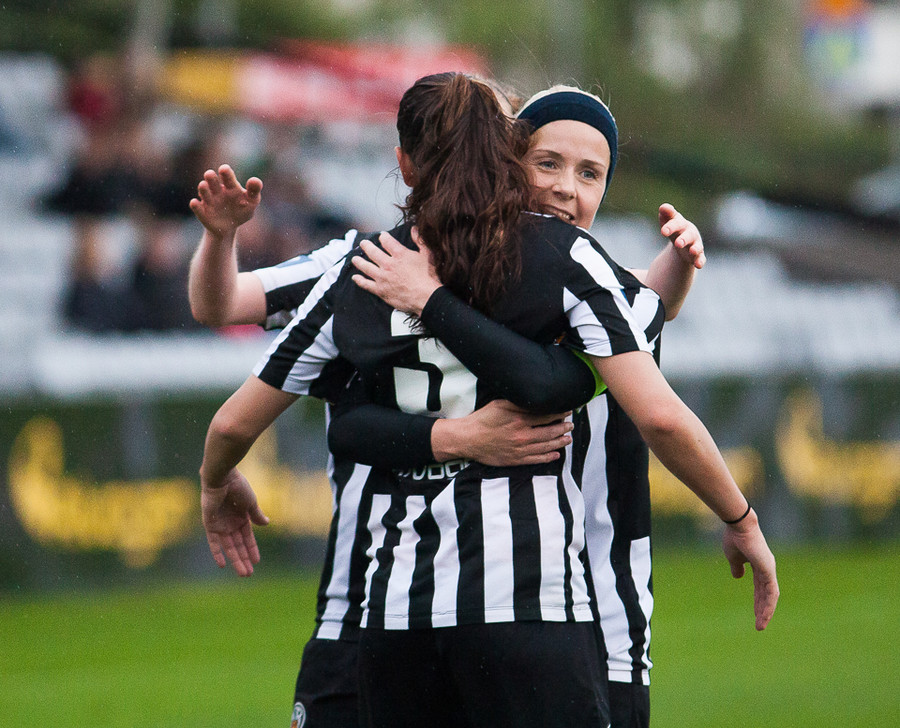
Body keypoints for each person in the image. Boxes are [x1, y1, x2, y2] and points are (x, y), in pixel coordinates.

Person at [196, 73, 778, 728]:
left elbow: (244, 423)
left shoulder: (362, 269)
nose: (565, 187)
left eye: (589, 173)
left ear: (404, 164)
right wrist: (741, 517)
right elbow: (657, 401)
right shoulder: (565, 259)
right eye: (549, 163)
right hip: (529, 601)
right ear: (507, 157)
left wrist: (215, 481)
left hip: (394, 612)